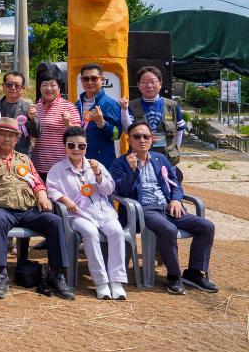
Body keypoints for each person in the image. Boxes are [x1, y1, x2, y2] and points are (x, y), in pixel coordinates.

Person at [0, 117, 75, 300]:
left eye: (11, 136)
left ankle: (56, 275)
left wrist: (42, 194)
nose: (6, 139)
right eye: (3, 134)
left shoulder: (24, 159)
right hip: (2, 209)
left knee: (55, 221)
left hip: (28, 209)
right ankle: (1, 275)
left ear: (17, 139)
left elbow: (37, 182)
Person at [111, 121, 217, 294]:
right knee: (168, 229)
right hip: (143, 210)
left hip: (168, 207)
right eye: (137, 136)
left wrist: (175, 200)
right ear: (129, 140)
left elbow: (176, 184)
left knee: (206, 227)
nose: (142, 140)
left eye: (146, 136)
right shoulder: (120, 163)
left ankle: (193, 273)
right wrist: (132, 170)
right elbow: (121, 192)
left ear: (152, 139)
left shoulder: (160, 159)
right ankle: (173, 276)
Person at [46, 126, 127, 300]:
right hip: (77, 215)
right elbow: (51, 190)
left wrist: (97, 173)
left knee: (117, 232)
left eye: (81, 146)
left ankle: (116, 281)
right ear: (65, 146)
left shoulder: (95, 164)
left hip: (102, 212)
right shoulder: (57, 169)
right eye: (71, 145)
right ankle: (101, 282)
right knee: (90, 233)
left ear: (86, 147)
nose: (76, 150)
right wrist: (65, 200)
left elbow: (108, 189)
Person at [120, 66, 186, 165]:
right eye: (144, 82)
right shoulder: (131, 106)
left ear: (160, 83)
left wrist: (176, 149)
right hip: (139, 158)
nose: (149, 85)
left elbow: (180, 129)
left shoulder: (172, 105)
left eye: (153, 81)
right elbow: (128, 129)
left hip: (167, 158)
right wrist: (124, 110)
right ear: (138, 85)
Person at [30, 70, 80, 181]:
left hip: (62, 165)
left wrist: (68, 123)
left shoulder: (69, 107)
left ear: (59, 88)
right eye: (44, 85)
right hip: (39, 165)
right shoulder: (35, 108)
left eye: (52, 85)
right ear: (40, 88)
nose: (48, 88)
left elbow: (79, 136)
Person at [74, 63, 122, 166]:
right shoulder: (78, 104)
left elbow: (117, 134)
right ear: (81, 81)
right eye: (86, 79)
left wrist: (102, 123)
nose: (90, 82)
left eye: (94, 78)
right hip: (79, 160)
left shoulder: (110, 104)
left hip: (102, 162)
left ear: (102, 80)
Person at [0, 70, 39, 156]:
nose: (13, 88)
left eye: (17, 86)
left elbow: (37, 134)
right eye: (9, 85)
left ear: (23, 89)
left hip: (21, 156)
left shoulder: (28, 108)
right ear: (3, 86)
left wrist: (32, 119)